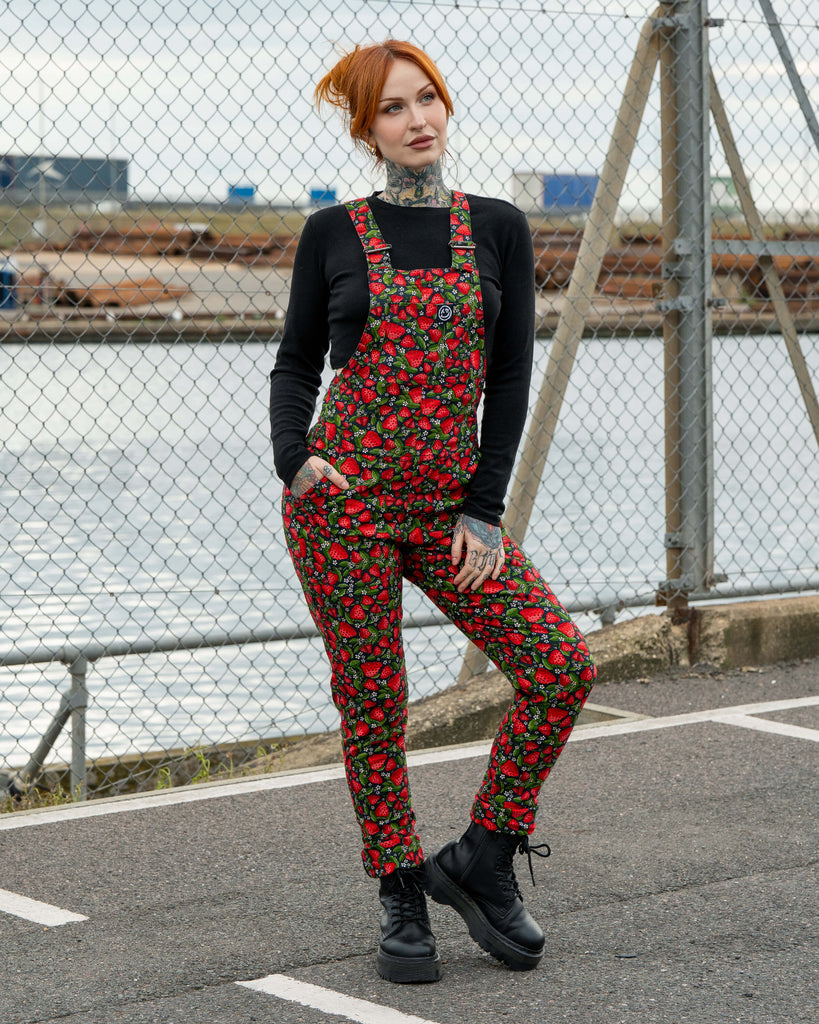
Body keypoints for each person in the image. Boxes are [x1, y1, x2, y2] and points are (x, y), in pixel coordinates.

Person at [269, 39, 596, 984]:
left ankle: (484, 859)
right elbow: (296, 364)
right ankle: (399, 891)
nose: (418, 120)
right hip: (344, 507)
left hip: (449, 513)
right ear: (367, 130)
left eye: (428, 100)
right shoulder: (331, 233)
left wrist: (484, 512)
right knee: (375, 703)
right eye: (392, 110)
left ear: (446, 108)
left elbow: (508, 378)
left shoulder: (494, 226)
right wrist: (297, 459)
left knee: (559, 667)